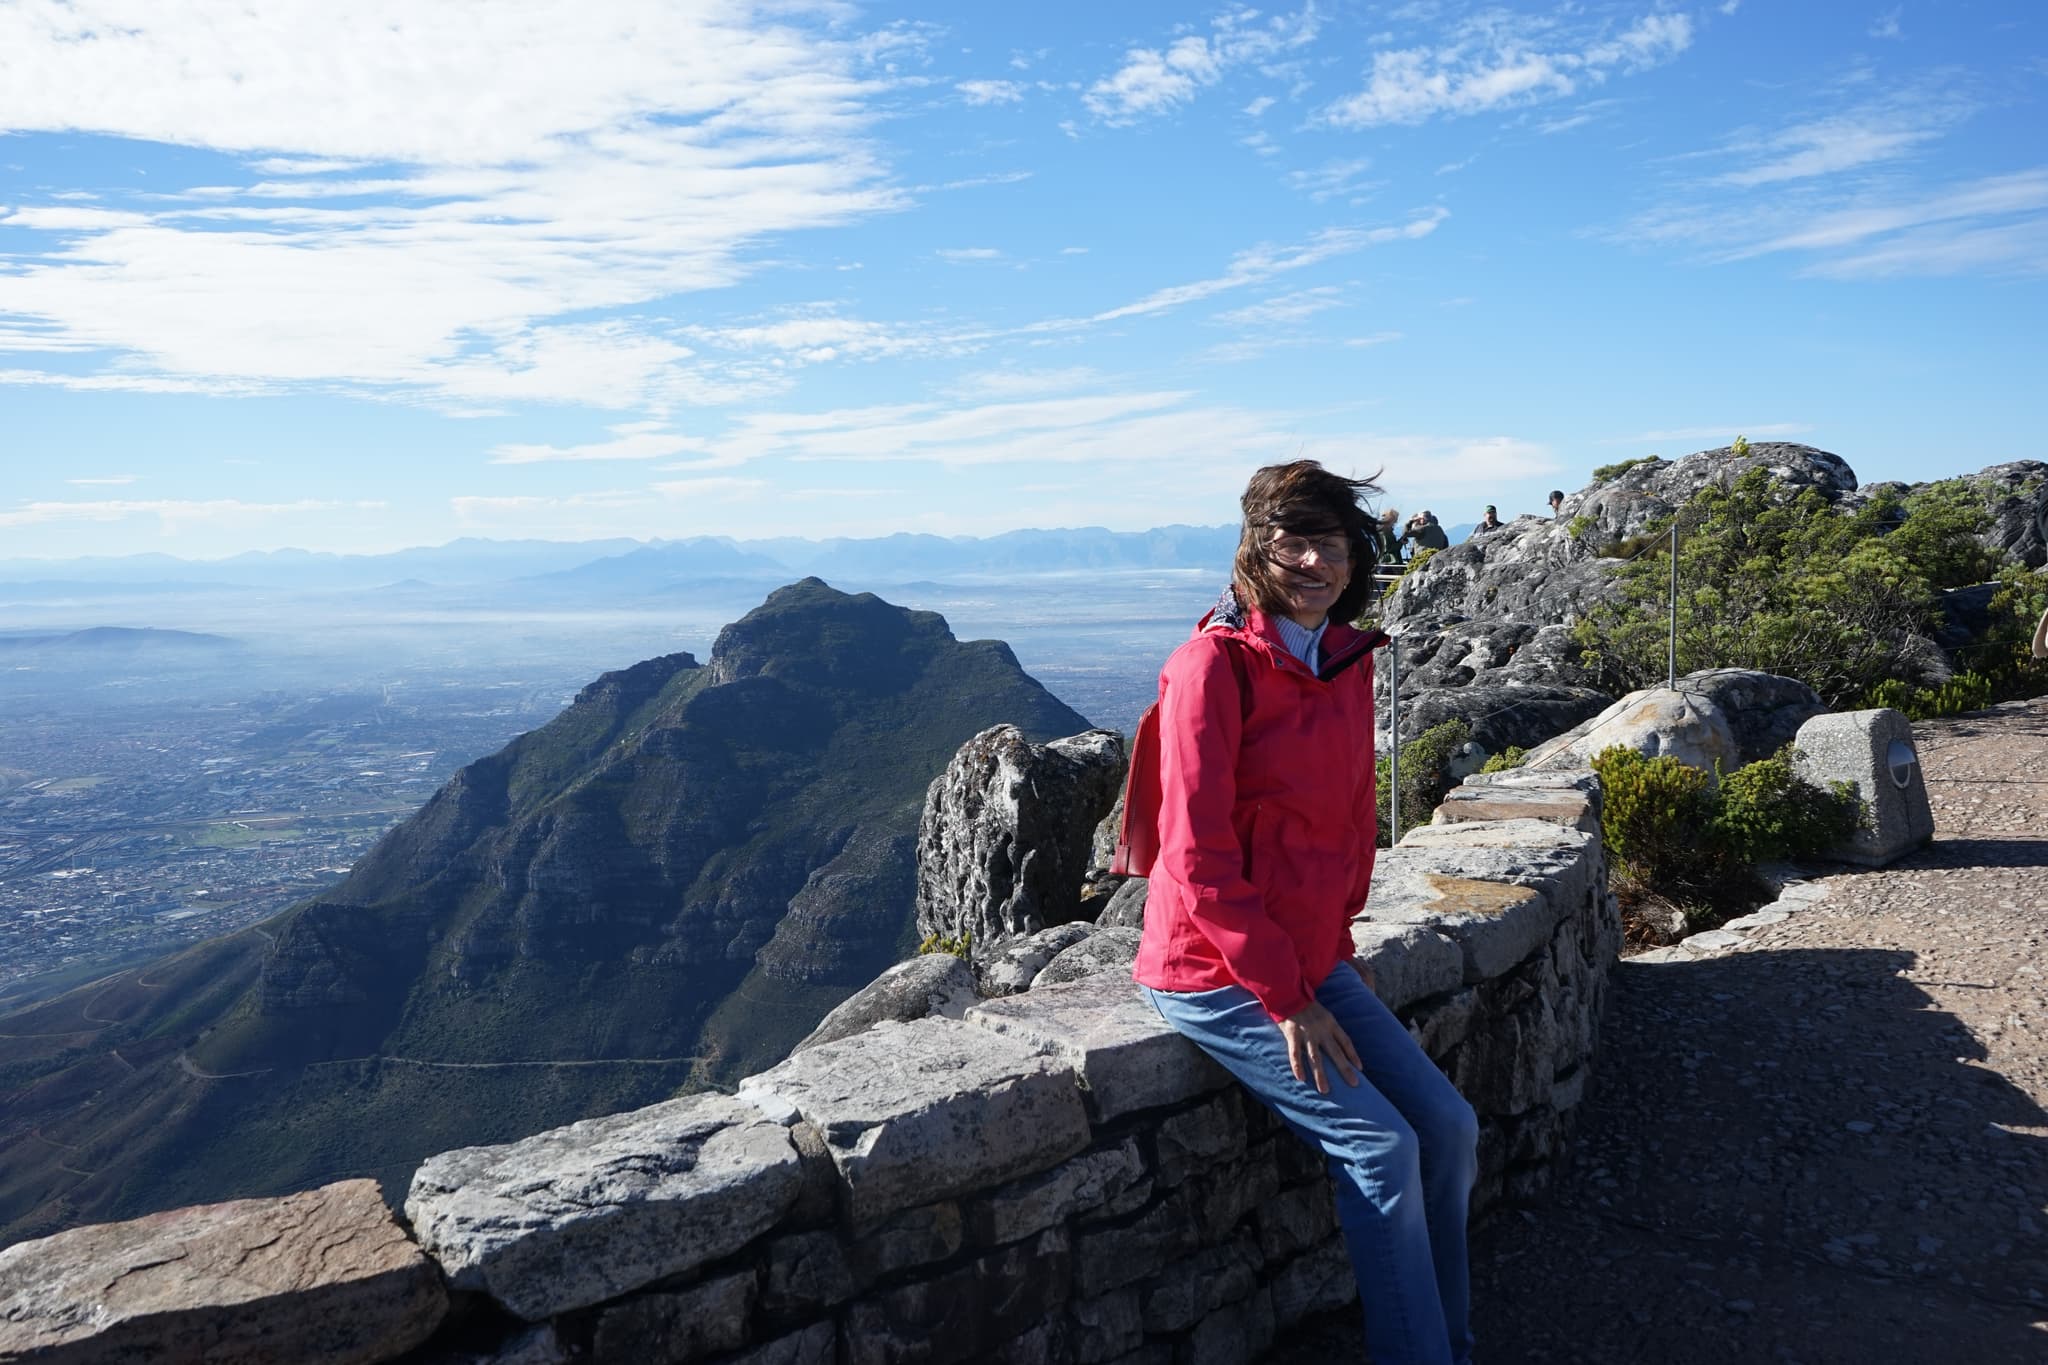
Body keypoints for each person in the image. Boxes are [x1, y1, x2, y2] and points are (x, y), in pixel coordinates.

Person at [1133, 460, 1480, 1365]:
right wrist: (1288, 997)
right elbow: (1196, 855)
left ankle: (1450, 1336)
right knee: (1381, 1149)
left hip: (1307, 955)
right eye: (1294, 539)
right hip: (1212, 969)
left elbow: (1346, 822)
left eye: (1332, 541)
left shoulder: (1343, 661)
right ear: (1257, 547)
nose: (1316, 559)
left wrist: (1333, 947)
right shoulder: (1211, 668)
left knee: (1447, 1131)